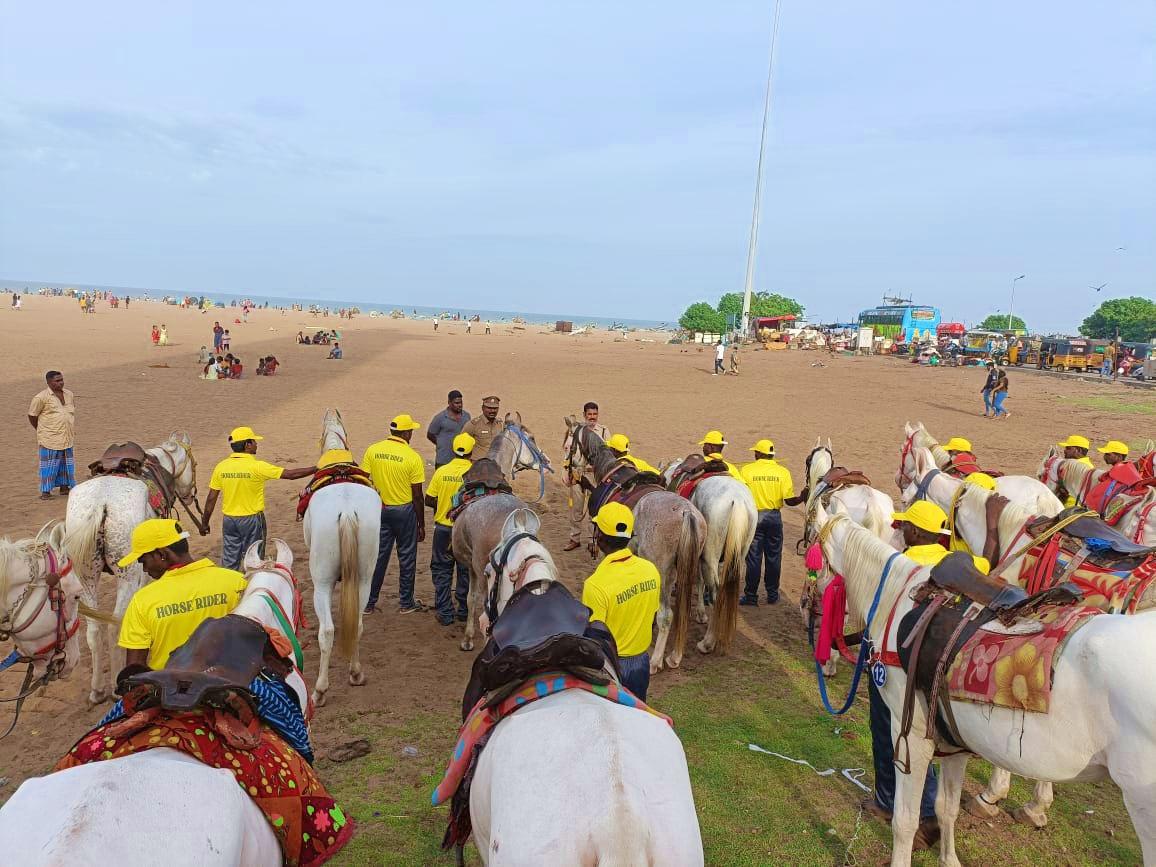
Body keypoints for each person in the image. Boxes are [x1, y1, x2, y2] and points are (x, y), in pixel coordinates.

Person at [116, 518, 248, 671]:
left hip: (171, 691)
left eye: (143, 561)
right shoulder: (238, 582)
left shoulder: (142, 601)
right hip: (232, 685)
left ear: (162, 554)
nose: (145, 569)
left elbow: (134, 670)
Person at [200, 426, 315, 570]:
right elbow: (290, 475)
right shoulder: (257, 466)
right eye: (254, 441)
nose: (256, 444)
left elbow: (211, 498)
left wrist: (204, 522)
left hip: (229, 520)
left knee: (230, 560)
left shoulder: (221, 467)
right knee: (254, 560)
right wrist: (316, 468)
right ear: (247, 444)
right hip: (252, 521)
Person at [582, 502, 660, 700]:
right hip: (641, 661)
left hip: (611, 668)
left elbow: (595, 638)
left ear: (599, 537)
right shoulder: (650, 570)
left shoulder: (595, 584)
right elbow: (652, 618)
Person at [361, 414, 427, 614]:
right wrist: (421, 523)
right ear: (406, 433)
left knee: (378, 557)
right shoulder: (412, 457)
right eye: (411, 431)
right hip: (404, 511)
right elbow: (417, 495)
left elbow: (364, 479)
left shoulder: (373, 450)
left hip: (379, 509)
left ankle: (369, 603)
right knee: (406, 557)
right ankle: (406, 602)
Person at [425, 432, 474, 625]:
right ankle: (463, 610)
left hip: (443, 530)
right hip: (466, 532)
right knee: (465, 570)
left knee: (441, 570)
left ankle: (445, 612)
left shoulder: (441, 471)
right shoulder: (473, 473)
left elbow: (429, 499)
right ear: (471, 451)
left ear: (454, 450)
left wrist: (444, 505)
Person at [739, 439, 795, 606]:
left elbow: (741, 494)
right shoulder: (783, 472)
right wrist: (803, 496)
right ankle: (772, 593)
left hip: (754, 517)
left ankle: (750, 595)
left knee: (754, 558)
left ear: (759, 453)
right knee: (774, 557)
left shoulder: (747, 470)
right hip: (774, 517)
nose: (754, 454)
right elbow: (790, 500)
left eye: (755, 452)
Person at [562, 402, 609, 551]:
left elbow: (608, 453)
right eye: (589, 414)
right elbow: (568, 452)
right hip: (578, 475)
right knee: (576, 508)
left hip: (595, 477)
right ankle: (574, 538)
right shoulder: (577, 431)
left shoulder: (603, 431)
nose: (592, 417)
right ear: (584, 415)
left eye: (595, 414)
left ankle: (591, 540)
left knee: (593, 510)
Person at [28, 370, 76, 501]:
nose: (61, 383)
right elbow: (32, 415)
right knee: (49, 465)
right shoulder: (41, 398)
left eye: (62, 380)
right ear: (49, 382)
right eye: (57, 381)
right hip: (49, 437)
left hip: (66, 436)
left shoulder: (69, 394)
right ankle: (46, 491)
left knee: (66, 464)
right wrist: (41, 429)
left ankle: (64, 487)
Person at [427, 390, 471, 468]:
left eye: (461, 402)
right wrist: (441, 443)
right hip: (444, 460)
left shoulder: (467, 417)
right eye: (456, 403)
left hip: (461, 461)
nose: (460, 405)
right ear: (449, 402)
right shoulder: (440, 418)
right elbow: (430, 434)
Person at [1056, 434, 1094, 507]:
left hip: (1071, 508)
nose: (1064, 450)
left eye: (1068, 448)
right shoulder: (1085, 466)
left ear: (1078, 450)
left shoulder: (1083, 467)